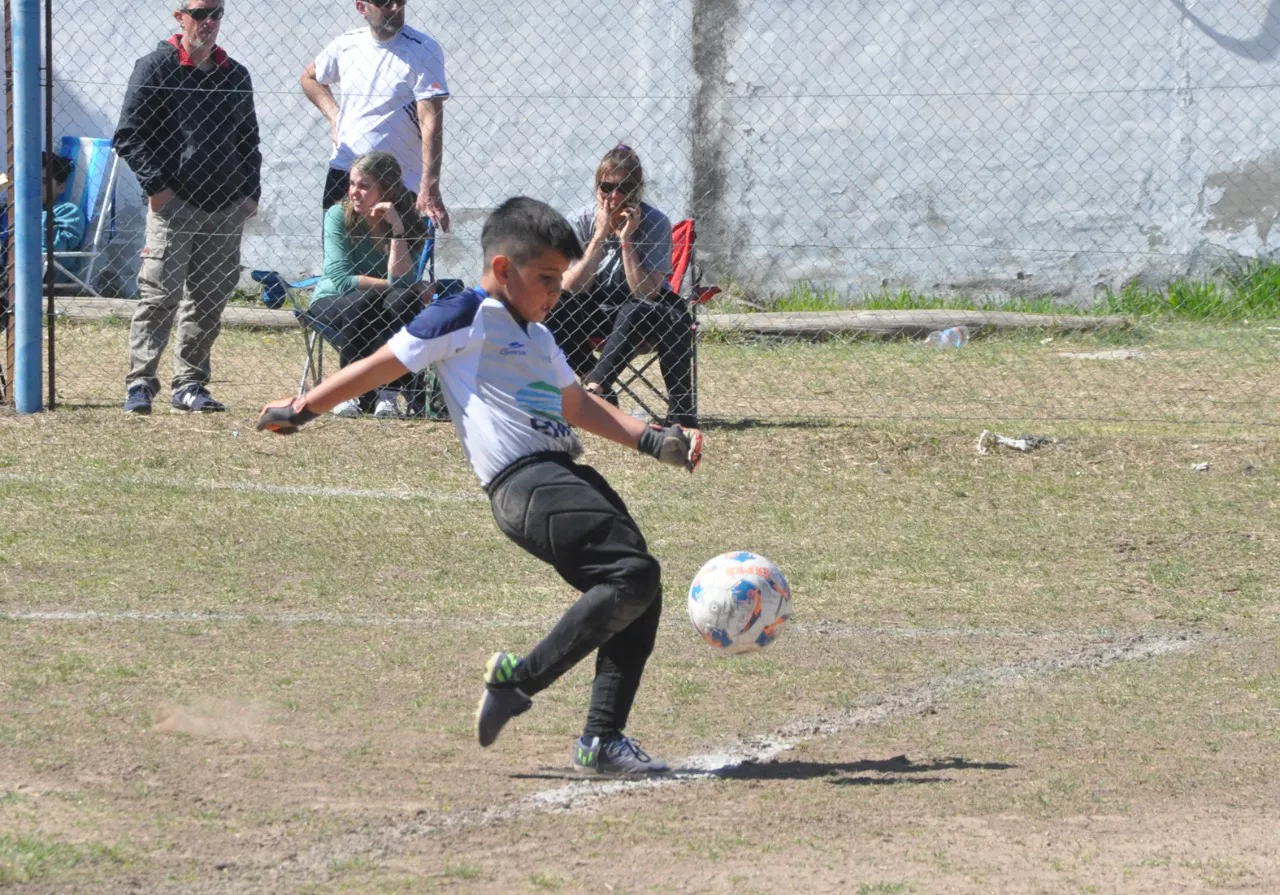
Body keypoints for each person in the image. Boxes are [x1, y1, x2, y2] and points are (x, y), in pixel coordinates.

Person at [256, 197, 704, 775]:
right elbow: (384, 364)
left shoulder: (539, 338)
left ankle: (603, 740)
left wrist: (651, 439)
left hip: (565, 475)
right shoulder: (465, 313)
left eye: (559, 278)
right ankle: (517, 683)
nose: (556, 291)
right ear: (501, 269)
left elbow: (576, 404)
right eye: (546, 278)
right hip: (527, 484)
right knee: (631, 576)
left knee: (639, 586)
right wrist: (303, 406)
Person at [114, 0, 261, 414]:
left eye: (217, 14)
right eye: (200, 13)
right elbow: (128, 134)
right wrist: (157, 190)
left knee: (209, 301)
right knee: (159, 296)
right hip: (174, 206)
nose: (209, 22)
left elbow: (249, 140)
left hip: (226, 206)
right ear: (180, 17)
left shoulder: (235, 74)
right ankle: (140, 384)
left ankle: (190, 385)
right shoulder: (156, 67)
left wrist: (251, 194)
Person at [545, 144, 697, 429]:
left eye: (624, 188)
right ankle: (598, 383)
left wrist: (627, 241)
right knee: (550, 306)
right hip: (591, 308)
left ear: (637, 191)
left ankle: (593, 390)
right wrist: (600, 235)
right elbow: (571, 287)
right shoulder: (581, 220)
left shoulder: (654, 223)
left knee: (654, 310)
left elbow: (647, 293)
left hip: (638, 315)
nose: (614, 197)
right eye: (606, 187)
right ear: (596, 187)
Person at [300, 0, 450, 232]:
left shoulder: (423, 49)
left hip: (397, 181)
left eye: (400, 1)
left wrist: (429, 186)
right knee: (338, 264)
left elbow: (430, 119)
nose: (395, 7)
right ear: (361, 7)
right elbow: (309, 78)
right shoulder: (346, 45)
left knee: (395, 265)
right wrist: (334, 117)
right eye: (384, 2)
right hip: (345, 173)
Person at [309, 151, 431, 419]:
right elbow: (342, 280)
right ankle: (350, 392)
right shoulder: (336, 216)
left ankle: (387, 396)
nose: (354, 192)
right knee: (367, 300)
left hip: (380, 304)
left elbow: (404, 286)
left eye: (364, 186)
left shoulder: (408, 221)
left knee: (403, 301)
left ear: (387, 190)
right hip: (334, 300)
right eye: (352, 184)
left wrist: (398, 230)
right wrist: (401, 285)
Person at [42, 152, 87, 285]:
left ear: (61, 187)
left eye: (43, 182)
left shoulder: (68, 211)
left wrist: (32, 213)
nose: (34, 187)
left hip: (46, 274)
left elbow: (54, 247)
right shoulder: (11, 210)